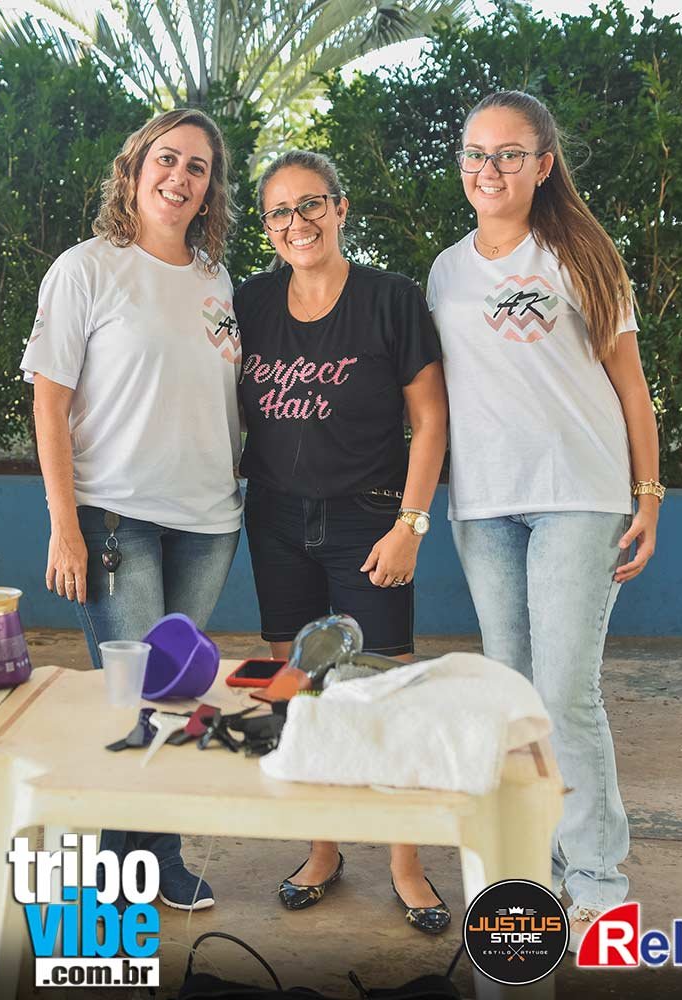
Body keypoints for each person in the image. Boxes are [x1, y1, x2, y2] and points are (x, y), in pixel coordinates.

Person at [426, 90, 663, 948]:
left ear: (543, 165)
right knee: (517, 698)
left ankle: (598, 882)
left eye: (509, 154)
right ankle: (538, 867)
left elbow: (632, 386)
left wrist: (650, 493)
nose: (489, 169)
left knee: (565, 692)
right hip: (484, 505)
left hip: (579, 495)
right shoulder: (446, 272)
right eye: (476, 154)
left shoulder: (582, 256)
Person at [20, 108, 243, 911]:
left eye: (197, 168)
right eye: (167, 160)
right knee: (139, 691)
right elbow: (49, 406)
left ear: (210, 190)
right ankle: (128, 870)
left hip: (210, 523)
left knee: (174, 692)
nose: (180, 177)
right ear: (135, 169)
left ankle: (147, 859)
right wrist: (65, 527)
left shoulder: (216, 279)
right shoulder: (86, 268)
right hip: (117, 520)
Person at [235, 150, 452, 932]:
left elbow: (430, 418)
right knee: (305, 693)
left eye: (311, 205)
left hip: (370, 519)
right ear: (267, 226)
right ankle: (322, 849)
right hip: (276, 519)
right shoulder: (250, 301)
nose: (296, 223)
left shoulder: (391, 299)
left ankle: (406, 864)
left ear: (340, 208)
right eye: (279, 211)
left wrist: (411, 524)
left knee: (382, 692)